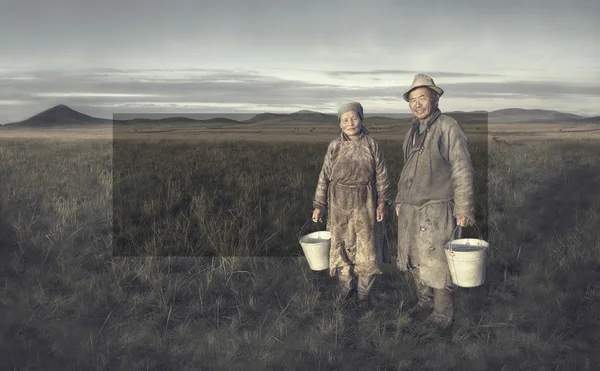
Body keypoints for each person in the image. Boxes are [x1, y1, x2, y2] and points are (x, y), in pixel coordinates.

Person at [394, 74, 475, 329]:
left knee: (439, 264)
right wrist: (399, 199)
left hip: (438, 208)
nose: (417, 104)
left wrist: (463, 208)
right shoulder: (412, 131)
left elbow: (462, 168)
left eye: (422, 98)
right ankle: (424, 303)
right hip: (411, 208)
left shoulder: (448, 127)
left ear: (435, 99)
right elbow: (407, 170)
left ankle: (442, 315)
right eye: (413, 99)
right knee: (416, 258)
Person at [312, 101, 392, 306]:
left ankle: (364, 295)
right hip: (338, 204)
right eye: (345, 119)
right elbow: (324, 177)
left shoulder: (372, 144)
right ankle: (347, 290)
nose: (350, 123)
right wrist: (319, 205)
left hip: (366, 202)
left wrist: (382, 201)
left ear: (361, 119)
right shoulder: (334, 146)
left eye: (354, 118)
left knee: (367, 249)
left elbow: (382, 175)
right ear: (340, 123)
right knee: (340, 249)